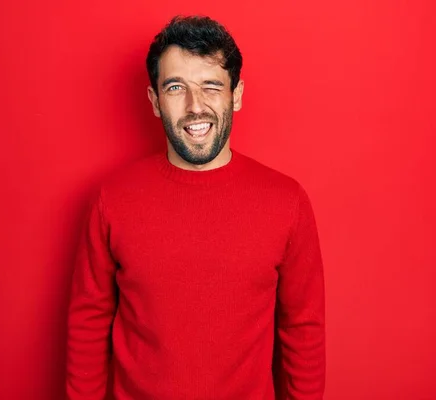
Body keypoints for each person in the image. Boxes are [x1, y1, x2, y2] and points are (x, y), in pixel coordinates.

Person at [66, 15, 325, 400]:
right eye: (175, 87)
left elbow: (303, 331)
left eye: (211, 86)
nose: (195, 106)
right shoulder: (113, 199)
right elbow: (88, 325)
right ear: (154, 100)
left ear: (235, 94)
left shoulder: (287, 201)